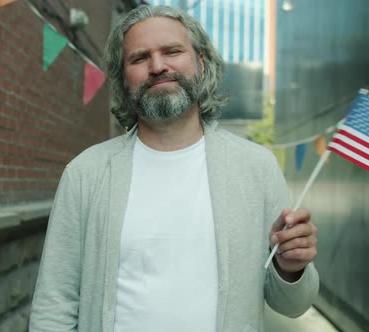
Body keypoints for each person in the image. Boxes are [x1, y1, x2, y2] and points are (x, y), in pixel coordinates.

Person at [29, 5, 318, 332]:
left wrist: (290, 268)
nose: (157, 66)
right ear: (123, 80)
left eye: (172, 51)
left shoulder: (256, 167)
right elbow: (54, 305)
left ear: (201, 62)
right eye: (139, 58)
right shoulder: (85, 173)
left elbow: (293, 305)